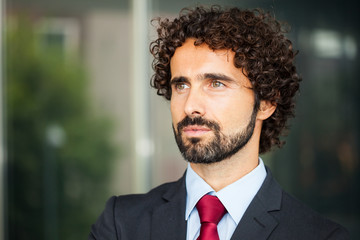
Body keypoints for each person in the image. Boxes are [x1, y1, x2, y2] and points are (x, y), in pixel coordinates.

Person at [89, 6, 349, 240]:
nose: (190, 105)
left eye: (216, 84)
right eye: (181, 85)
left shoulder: (321, 236)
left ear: (266, 103)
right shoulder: (120, 223)